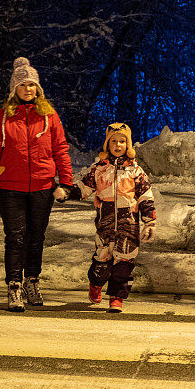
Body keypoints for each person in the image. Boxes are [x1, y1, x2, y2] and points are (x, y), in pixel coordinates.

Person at [0, 56, 73, 312]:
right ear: (14, 90)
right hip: (11, 189)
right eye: (23, 85)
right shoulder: (1, 118)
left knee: (36, 238)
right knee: (15, 239)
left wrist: (66, 182)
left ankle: (32, 281)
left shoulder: (49, 116)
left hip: (43, 188)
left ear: (38, 89)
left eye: (32, 85)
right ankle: (14, 287)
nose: (28, 89)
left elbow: (61, 149)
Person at [68, 122, 156, 313]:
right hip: (105, 226)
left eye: (122, 142)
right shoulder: (99, 169)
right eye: (113, 141)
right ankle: (96, 283)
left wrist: (149, 221)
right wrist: (67, 193)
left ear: (128, 145)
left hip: (129, 225)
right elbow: (84, 188)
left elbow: (146, 196)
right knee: (101, 265)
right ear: (107, 145)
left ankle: (117, 298)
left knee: (124, 264)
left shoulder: (135, 171)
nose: (118, 145)